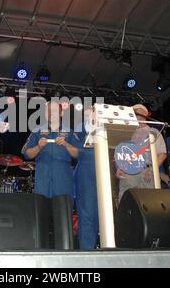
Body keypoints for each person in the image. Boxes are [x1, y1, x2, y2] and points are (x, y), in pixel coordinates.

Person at [22, 101, 79, 201]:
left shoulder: (70, 132)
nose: (50, 113)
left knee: (63, 214)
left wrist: (66, 144)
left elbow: (78, 154)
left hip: (63, 182)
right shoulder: (37, 131)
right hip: (43, 182)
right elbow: (27, 154)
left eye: (54, 111)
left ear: (61, 113)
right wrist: (38, 147)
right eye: (48, 111)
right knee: (42, 214)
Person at [116, 104, 167, 203]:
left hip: (147, 171)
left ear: (145, 114)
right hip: (128, 173)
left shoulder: (153, 132)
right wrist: (119, 167)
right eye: (133, 113)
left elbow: (162, 154)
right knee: (127, 203)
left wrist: (152, 170)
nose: (134, 115)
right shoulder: (126, 132)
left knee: (150, 203)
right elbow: (119, 153)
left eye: (137, 113)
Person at [73, 107, 99, 249]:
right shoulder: (79, 129)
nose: (90, 114)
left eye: (93, 111)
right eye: (87, 112)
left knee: (100, 214)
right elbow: (74, 150)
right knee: (87, 214)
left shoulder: (104, 128)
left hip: (104, 172)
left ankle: (101, 246)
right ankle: (87, 250)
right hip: (86, 171)